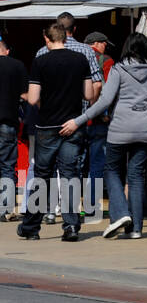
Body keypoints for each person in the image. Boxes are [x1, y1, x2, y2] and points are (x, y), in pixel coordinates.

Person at [62, 33, 147, 240]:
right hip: (146, 129)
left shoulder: (119, 68)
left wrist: (79, 120)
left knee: (111, 171)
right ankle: (136, 228)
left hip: (120, 128)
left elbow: (104, 101)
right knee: (136, 177)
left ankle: (120, 214)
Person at [19, 23, 93, 241]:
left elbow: (32, 99)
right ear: (66, 37)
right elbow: (89, 94)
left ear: (47, 39)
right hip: (72, 124)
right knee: (70, 175)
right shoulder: (80, 60)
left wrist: (45, 102)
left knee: (42, 176)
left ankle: (31, 227)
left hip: (47, 126)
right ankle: (71, 226)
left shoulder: (41, 61)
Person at [36, 13, 103, 218]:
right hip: (76, 119)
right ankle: (72, 216)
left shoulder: (41, 53)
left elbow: (35, 91)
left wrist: (43, 108)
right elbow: (97, 84)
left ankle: (48, 210)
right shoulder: (85, 52)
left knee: (47, 167)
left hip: (48, 120)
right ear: (74, 30)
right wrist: (88, 110)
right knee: (72, 168)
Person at [82, 31, 116, 214]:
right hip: (98, 120)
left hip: (74, 119)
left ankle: (67, 208)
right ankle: (90, 206)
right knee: (96, 164)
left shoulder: (74, 56)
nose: (106, 47)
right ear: (97, 43)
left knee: (72, 166)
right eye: (105, 44)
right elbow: (109, 90)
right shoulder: (106, 61)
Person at [0, 38, 28, 221]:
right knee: (7, 166)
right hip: (7, 122)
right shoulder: (17, 66)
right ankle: (5, 210)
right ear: (7, 50)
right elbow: (26, 95)